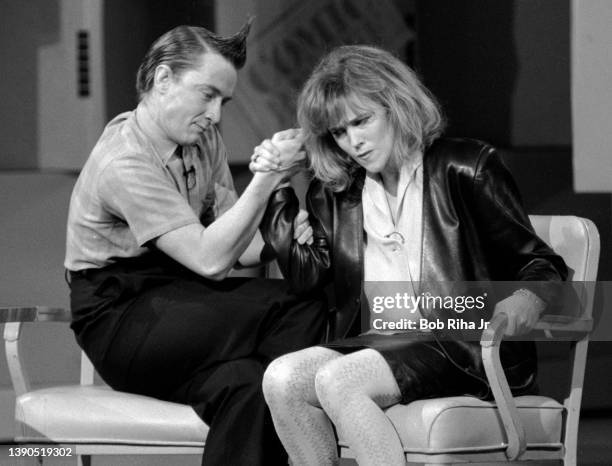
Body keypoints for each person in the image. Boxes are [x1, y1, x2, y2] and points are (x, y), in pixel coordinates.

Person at [256, 45, 568, 466]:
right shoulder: (340, 193)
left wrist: (525, 301)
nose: (354, 142)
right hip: (381, 342)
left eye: (362, 121)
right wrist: (275, 184)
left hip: (461, 341)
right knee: (281, 379)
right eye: (339, 132)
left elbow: (541, 264)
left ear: (396, 105)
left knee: (338, 380)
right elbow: (307, 277)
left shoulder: (466, 166)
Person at [64, 20, 327, 466]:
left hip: (181, 305)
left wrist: (280, 238)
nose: (216, 114)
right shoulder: (124, 160)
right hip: (120, 318)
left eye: (223, 101)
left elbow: (234, 247)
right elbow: (209, 260)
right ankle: (310, 442)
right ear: (163, 79)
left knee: (248, 385)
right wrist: (266, 180)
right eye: (207, 95)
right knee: (298, 305)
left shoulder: (203, 140)